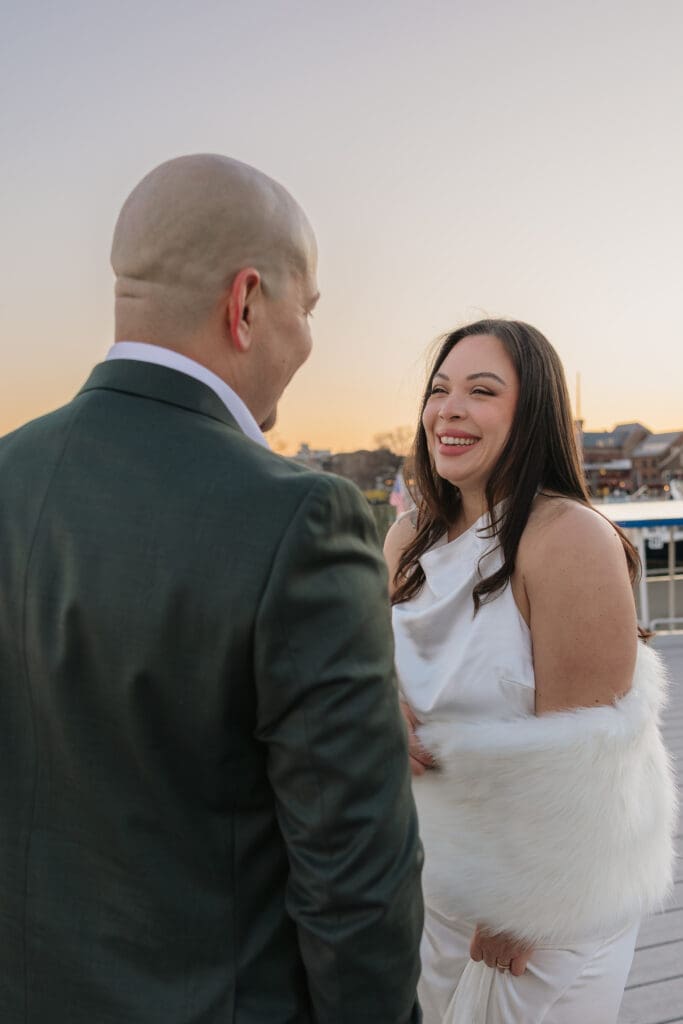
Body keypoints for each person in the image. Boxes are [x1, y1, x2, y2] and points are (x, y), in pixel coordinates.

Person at [0, 154, 424, 1023]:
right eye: (306, 311)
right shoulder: (301, 518)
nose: (307, 340)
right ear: (245, 303)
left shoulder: (8, 472)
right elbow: (353, 880)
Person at [384, 319, 676, 1024]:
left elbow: (590, 752)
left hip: (543, 894)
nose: (448, 409)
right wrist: (381, 704)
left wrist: (529, 908)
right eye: (438, 389)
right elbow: (381, 666)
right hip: (429, 878)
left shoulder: (566, 538)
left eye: (480, 391)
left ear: (531, 414)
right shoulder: (405, 539)